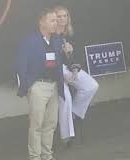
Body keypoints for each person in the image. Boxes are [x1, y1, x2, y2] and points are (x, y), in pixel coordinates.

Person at [16, 8, 72, 160]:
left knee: (51, 123)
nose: (56, 23)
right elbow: (21, 64)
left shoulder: (56, 40)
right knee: (36, 123)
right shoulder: (30, 41)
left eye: (57, 20)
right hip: (38, 85)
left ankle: (47, 155)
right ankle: (35, 159)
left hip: (54, 84)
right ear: (42, 22)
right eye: (53, 20)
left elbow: (62, 60)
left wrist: (68, 53)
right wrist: (29, 85)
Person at [53, 5, 99, 145]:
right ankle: (67, 137)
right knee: (65, 97)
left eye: (64, 16)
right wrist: (63, 75)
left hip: (68, 68)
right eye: (59, 16)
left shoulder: (69, 34)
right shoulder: (51, 35)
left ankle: (74, 113)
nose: (62, 19)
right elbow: (48, 59)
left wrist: (74, 70)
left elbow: (73, 57)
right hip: (54, 70)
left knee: (91, 85)